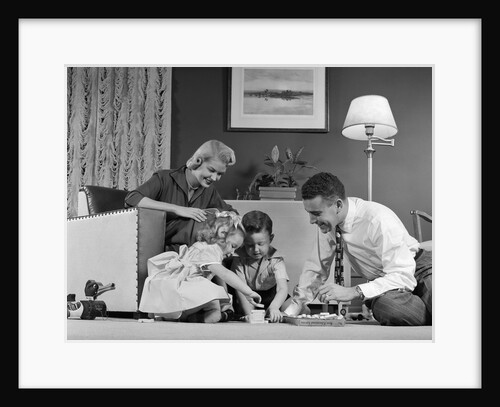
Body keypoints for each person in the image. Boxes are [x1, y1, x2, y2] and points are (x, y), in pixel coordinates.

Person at [283, 172, 432, 326]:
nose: (311, 221)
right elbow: (316, 268)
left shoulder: (377, 219)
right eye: (309, 214)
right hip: (388, 287)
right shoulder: (329, 226)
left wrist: (354, 291)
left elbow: (402, 274)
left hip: (418, 269)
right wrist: (294, 308)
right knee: (387, 308)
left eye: (316, 214)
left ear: (338, 205)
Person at [139, 210, 263, 323]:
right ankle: (195, 317)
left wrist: (225, 301)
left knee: (215, 295)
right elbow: (225, 274)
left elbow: (220, 278)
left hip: (170, 292)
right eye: (233, 246)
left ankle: (176, 315)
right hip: (182, 290)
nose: (232, 252)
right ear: (222, 234)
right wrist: (248, 292)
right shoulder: (211, 250)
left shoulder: (202, 246)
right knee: (214, 310)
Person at [124, 140, 237, 252]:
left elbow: (231, 212)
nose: (214, 178)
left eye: (219, 174)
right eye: (211, 170)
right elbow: (132, 198)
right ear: (198, 161)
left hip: (188, 248)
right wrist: (177, 209)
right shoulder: (165, 178)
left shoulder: (209, 191)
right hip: (157, 239)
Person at [229, 210, 292, 323]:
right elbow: (241, 290)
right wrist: (249, 313)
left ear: (270, 239)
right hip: (249, 296)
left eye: (260, 244)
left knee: (300, 309)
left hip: (272, 295)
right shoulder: (238, 258)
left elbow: (282, 288)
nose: (256, 249)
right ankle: (254, 313)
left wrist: (274, 307)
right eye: (249, 245)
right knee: (242, 313)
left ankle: (274, 313)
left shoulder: (276, 259)